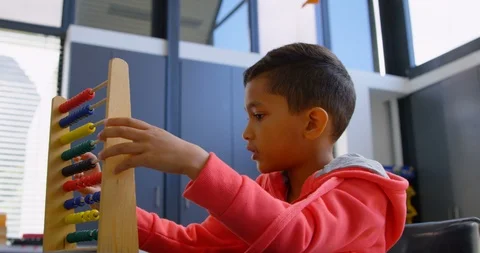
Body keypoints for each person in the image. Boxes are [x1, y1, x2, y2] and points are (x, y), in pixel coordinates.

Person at [75, 43, 408, 252]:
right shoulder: (269, 190)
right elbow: (191, 244)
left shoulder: (362, 192)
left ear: (311, 124)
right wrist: (111, 203)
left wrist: (197, 162)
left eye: (259, 116)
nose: (247, 133)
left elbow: (296, 239)